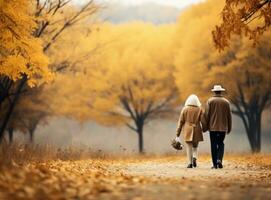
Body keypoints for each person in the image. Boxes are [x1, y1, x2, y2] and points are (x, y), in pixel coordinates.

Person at [205, 85, 232, 169]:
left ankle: (214, 164)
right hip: (223, 128)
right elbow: (229, 116)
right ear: (221, 92)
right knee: (221, 143)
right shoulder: (226, 102)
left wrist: (205, 126)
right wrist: (229, 128)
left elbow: (207, 115)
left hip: (212, 127)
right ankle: (219, 159)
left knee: (213, 144)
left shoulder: (210, 101)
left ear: (214, 92)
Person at [175, 94, 206, 168]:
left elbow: (181, 122)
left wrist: (177, 133)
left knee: (189, 146)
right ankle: (195, 157)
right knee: (195, 146)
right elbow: (203, 121)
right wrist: (205, 128)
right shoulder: (200, 109)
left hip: (187, 130)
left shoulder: (184, 109)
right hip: (197, 129)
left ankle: (190, 163)